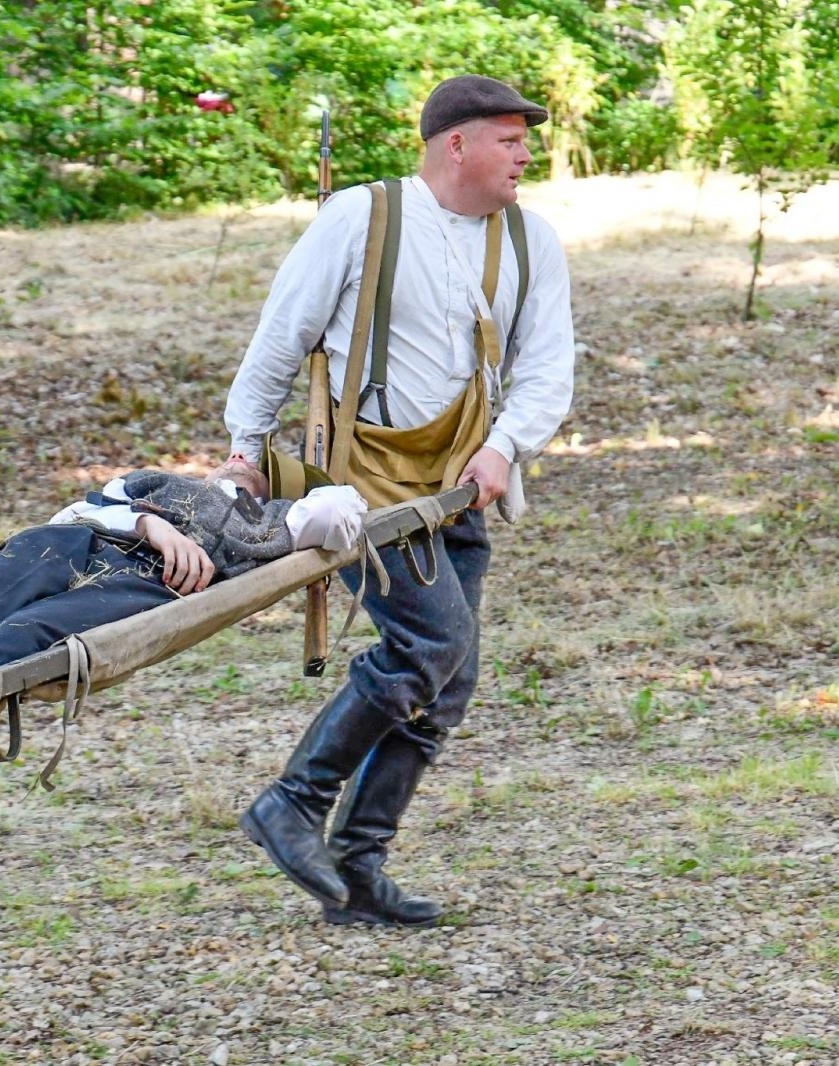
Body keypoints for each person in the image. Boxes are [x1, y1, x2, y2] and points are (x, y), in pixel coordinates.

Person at [225, 75, 576, 926]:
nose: (525, 152)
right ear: (455, 144)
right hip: (365, 486)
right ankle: (292, 803)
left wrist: (504, 445)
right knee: (433, 645)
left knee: (448, 686)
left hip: (460, 488)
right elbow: (284, 335)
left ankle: (354, 869)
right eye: (508, 137)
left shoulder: (532, 240)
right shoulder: (362, 217)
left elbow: (547, 366)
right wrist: (243, 450)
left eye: (526, 138)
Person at [0, 461, 366, 821]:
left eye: (259, 466)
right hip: (74, 543)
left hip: (144, 585)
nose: (241, 461)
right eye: (237, 458)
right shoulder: (155, 482)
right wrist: (147, 524)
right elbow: (77, 510)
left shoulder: (270, 527)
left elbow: (341, 513)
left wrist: (302, 493)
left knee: (14, 644)